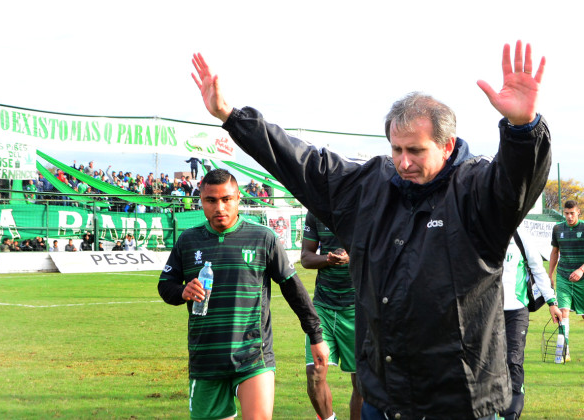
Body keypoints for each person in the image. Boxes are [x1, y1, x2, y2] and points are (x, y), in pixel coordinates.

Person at [191, 41, 551, 419]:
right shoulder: (369, 188)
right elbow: (300, 162)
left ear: (447, 146)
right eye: (396, 149)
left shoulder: (476, 192)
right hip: (384, 398)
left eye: (415, 150)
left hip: (460, 401)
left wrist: (523, 130)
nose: (403, 162)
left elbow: (517, 183)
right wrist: (232, 116)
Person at [158, 169, 329, 420]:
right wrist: (182, 291)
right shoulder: (188, 240)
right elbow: (165, 285)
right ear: (201, 202)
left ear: (238, 198)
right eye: (211, 200)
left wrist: (316, 335)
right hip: (206, 358)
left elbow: (293, 288)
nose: (219, 207)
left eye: (226, 199)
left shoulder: (263, 238)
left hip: (252, 355)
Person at [301, 211, 362, 420]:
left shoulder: (366, 206)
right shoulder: (316, 212)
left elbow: (382, 252)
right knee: (315, 375)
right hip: (323, 307)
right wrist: (328, 258)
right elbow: (306, 258)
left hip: (358, 308)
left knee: (362, 382)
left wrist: (350, 258)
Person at [500, 227, 562, 419]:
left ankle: (511, 412)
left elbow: (538, 270)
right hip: (488, 311)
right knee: (488, 362)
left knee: (513, 360)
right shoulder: (484, 231)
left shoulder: (521, 237)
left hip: (517, 310)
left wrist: (552, 302)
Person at [549, 200, 584, 363]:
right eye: (566, 213)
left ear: (579, 212)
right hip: (563, 276)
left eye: (572, 213)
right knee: (563, 312)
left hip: (582, 278)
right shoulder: (557, 228)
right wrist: (550, 274)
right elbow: (555, 252)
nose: (569, 216)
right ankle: (565, 351)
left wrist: (581, 270)